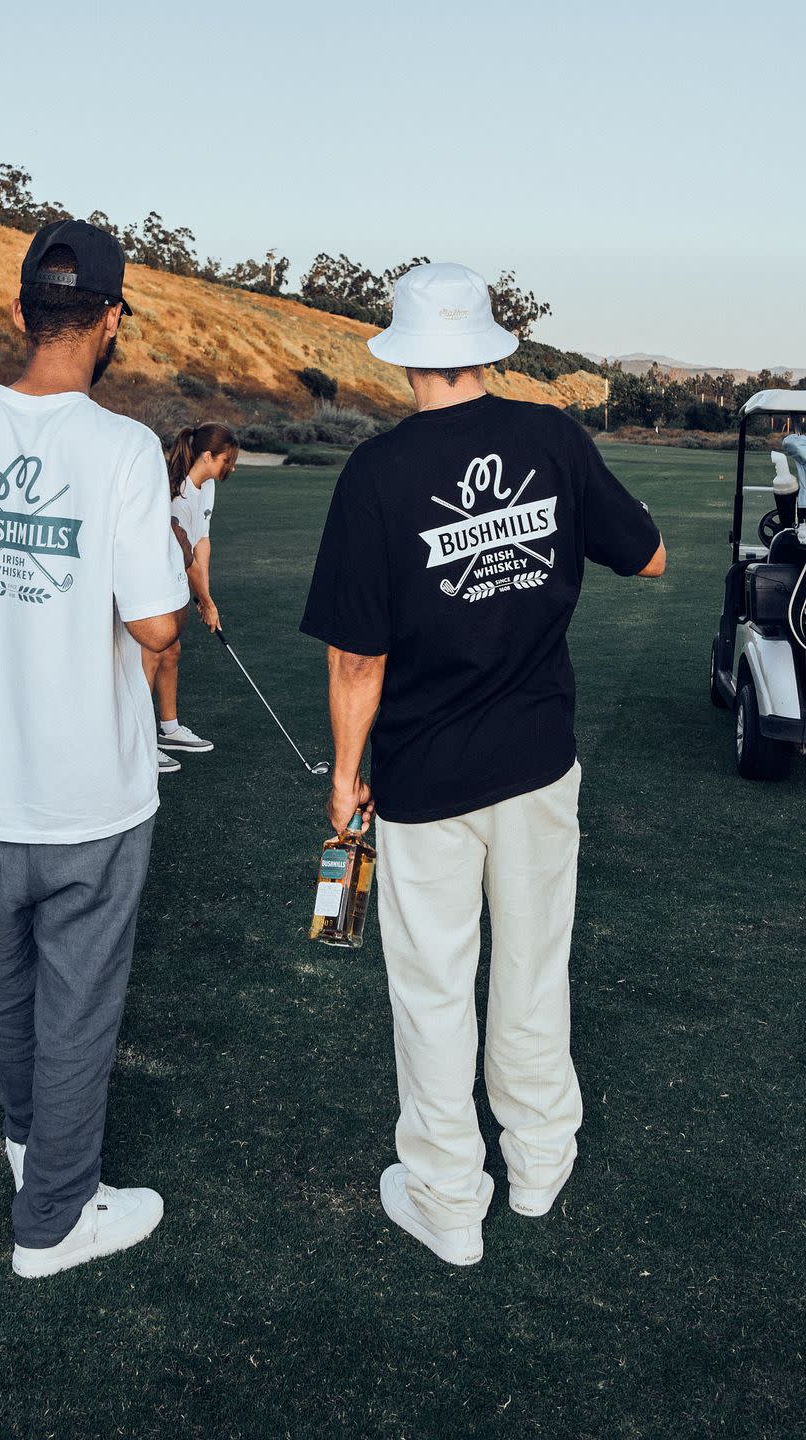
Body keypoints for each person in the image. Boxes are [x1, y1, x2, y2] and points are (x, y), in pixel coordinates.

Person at [300, 262, 666, 1267]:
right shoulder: (551, 437)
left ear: (406, 353)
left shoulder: (376, 474)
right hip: (539, 763)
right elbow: (650, 557)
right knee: (534, 971)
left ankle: (450, 1202)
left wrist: (343, 774)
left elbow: (357, 657)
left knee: (432, 990)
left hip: (424, 778)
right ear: (488, 346)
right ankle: (541, 1168)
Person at [0, 219, 190, 1279]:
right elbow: (157, 627)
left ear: (20, 312)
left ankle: (29, 1153)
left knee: (7, 985)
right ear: (107, 321)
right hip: (88, 790)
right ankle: (53, 1221)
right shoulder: (124, 450)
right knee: (78, 1002)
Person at [143, 422, 239, 772]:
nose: (231, 466)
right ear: (206, 455)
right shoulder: (177, 496)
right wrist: (207, 603)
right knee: (152, 654)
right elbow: (185, 558)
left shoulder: (207, 486)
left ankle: (168, 729)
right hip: (152, 578)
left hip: (175, 575)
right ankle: (139, 743)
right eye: (226, 460)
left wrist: (205, 596)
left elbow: (202, 542)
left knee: (171, 650)